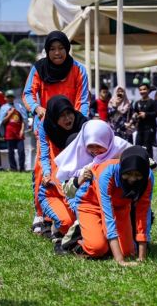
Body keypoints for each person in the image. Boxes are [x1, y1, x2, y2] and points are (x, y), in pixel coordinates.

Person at [22, 31, 90, 230]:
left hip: (72, 131)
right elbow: (27, 94)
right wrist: (38, 109)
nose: (57, 53)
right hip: (46, 129)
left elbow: (83, 100)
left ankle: (74, 211)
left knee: (72, 170)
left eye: (61, 48)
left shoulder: (79, 70)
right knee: (43, 169)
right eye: (52, 49)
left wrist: (78, 123)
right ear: (47, 51)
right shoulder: (38, 68)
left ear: (67, 49)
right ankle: (40, 214)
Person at [71, 146, 154, 264]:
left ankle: (104, 240)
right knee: (97, 248)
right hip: (90, 204)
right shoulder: (106, 173)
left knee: (129, 252)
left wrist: (142, 258)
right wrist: (120, 261)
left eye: (138, 175)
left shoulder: (148, 177)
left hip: (120, 207)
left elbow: (143, 212)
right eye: (128, 173)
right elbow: (108, 216)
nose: (132, 179)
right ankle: (77, 237)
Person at [36, 95, 87, 242]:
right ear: (54, 118)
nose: (67, 119)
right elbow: (44, 154)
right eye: (62, 116)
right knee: (68, 221)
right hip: (60, 168)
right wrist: (47, 173)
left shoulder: (83, 123)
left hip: (83, 165)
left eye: (69, 113)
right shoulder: (46, 125)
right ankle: (56, 224)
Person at [54, 119, 131, 195]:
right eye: (90, 146)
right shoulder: (80, 156)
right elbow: (67, 192)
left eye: (99, 145)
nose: (95, 150)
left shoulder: (120, 148)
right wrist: (80, 179)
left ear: (107, 141)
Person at [0, 90, 28, 171]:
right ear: (5, 98)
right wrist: (10, 114)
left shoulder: (19, 106)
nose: (10, 99)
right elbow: (2, 121)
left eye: (11, 97)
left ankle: (22, 168)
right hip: (9, 132)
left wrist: (22, 130)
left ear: (13, 98)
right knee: (11, 152)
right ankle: (13, 168)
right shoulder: (3, 108)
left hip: (19, 132)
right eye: (8, 97)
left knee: (21, 151)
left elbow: (24, 120)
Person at [133, 83, 157, 158]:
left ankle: (150, 166)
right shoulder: (137, 102)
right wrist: (135, 115)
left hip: (149, 128)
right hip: (140, 128)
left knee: (148, 148)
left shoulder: (152, 102)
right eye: (140, 90)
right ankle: (139, 165)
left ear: (148, 90)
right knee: (138, 147)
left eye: (144, 89)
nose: (142, 91)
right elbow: (135, 112)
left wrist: (146, 114)